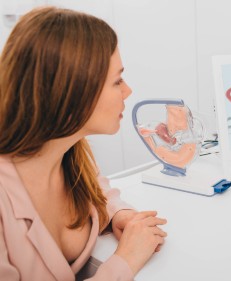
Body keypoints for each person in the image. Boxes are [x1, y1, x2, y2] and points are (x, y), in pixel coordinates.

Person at [0, 7, 167, 280]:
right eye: (117, 81)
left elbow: (97, 190)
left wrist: (117, 215)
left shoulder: (71, 151)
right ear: (73, 92)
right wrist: (124, 262)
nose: (128, 90)